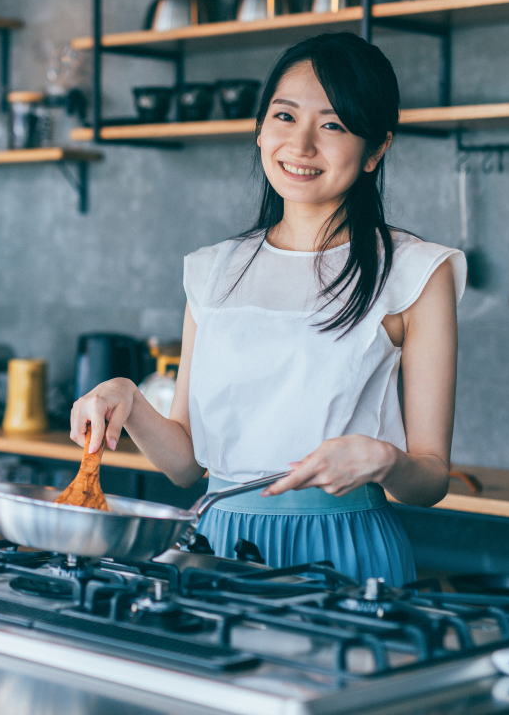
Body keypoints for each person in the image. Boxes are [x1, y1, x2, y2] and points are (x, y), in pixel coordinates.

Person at [69, 33, 465, 585]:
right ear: (259, 131)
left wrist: (387, 461)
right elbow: (186, 466)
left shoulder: (418, 271)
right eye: (284, 116)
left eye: (333, 125)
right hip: (215, 545)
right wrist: (129, 400)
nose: (301, 145)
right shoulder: (213, 271)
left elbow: (430, 480)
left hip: (344, 550)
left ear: (376, 149)